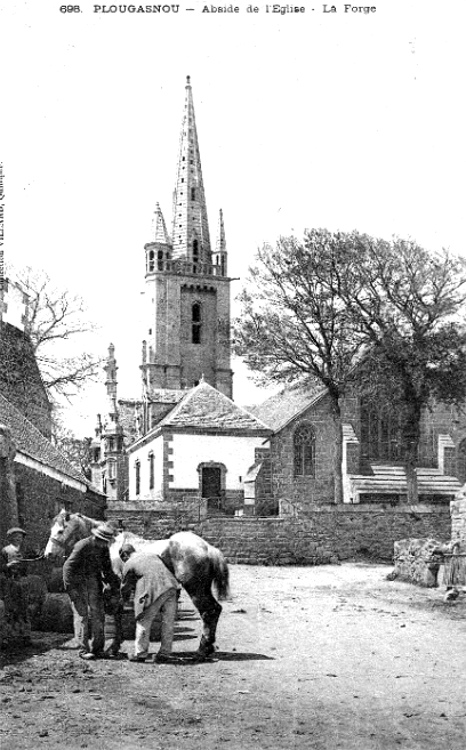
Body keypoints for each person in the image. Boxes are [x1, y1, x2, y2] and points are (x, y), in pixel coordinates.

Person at [63, 522, 119, 660]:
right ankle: (83, 650)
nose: (104, 544)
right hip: (78, 583)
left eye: (106, 542)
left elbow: (107, 570)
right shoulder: (83, 545)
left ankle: (98, 649)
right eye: (102, 541)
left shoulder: (104, 549)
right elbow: (67, 567)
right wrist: (70, 589)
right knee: (82, 616)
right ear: (96, 537)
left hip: (94, 582)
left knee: (98, 616)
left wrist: (116, 586)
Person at [119, 543, 180, 664]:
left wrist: (123, 601)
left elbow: (125, 586)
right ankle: (164, 653)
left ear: (125, 554)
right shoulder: (152, 555)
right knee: (168, 622)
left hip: (153, 590)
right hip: (172, 587)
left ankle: (140, 653)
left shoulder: (129, 562)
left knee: (143, 621)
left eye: (122, 558)